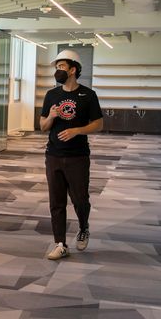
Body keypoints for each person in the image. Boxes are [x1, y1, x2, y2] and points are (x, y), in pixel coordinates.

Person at [40, 49, 103, 260]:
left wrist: (77, 130)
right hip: (53, 155)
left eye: (61, 67)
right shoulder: (52, 95)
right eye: (56, 67)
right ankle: (60, 243)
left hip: (78, 157)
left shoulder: (88, 95)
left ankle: (84, 226)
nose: (57, 71)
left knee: (80, 200)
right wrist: (50, 116)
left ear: (73, 70)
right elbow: (42, 126)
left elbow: (98, 124)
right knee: (56, 202)